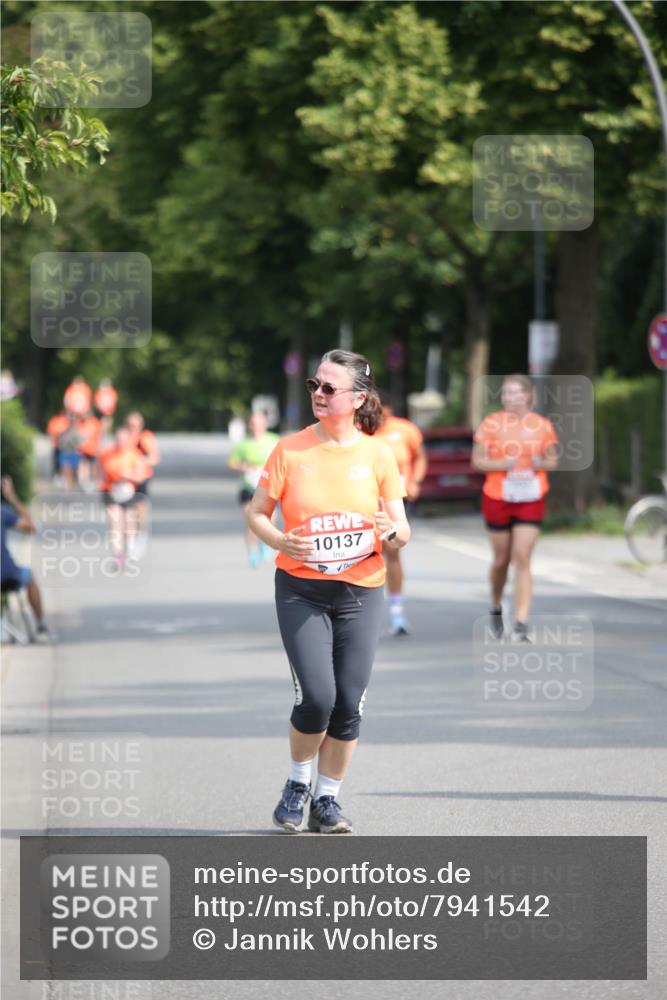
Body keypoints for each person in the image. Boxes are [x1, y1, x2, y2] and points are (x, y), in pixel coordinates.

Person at [247, 349, 410, 834]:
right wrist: (280, 539)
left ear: (358, 399)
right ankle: (297, 784)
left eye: (329, 388)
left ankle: (327, 799)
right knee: (317, 697)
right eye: (315, 385)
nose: (318, 393)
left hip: (362, 590)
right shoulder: (290, 450)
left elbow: (402, 528)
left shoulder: (378, 454)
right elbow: (256, 512)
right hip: (302, 589)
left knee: (349, 702)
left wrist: (391, 532)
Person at [471, 374, 559, 642]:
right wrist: (503, 465)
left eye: (517, 393)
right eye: (507, 393)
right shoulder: (491, 423)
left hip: (530, 496)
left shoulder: (542, 426)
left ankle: (521, 621)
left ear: (529, 396)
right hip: (498, 496)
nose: (511, 398)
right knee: (501, 560)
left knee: (522, 556)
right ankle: (496, 606)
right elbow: (478, 461)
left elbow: (553, 461)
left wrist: (537, 462)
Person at [375, 392, 428, 635]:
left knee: (392, 551)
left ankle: (397, 612)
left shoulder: (405, 430)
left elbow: (420, 457)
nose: (379, 415)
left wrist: (415, 481)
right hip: (366, 501)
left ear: (389, 408)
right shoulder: (360, 432)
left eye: (382, 410)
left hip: (395, 499)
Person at [1, 476, 50, 642]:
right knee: (29, 576)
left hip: (6, 573)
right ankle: (41, 625)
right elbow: (32, 527)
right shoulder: (2, 512)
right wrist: (12, 497)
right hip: (7, 574)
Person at [228, 411, 280, 567]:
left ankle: (265, 542)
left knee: (271, 519)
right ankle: (252, 550)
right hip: (249, 488)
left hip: (268, 487)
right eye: (253, 423)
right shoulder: (244, 444)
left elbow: (283, 459)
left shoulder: (274, 440)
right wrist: (244, 467)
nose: (256, 426)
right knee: (252, 521)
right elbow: (232, 463)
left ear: (265, 424)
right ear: (249, 425)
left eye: (259, 423)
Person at [99, 428, 154, 567]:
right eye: (118, 439)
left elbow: (142, 476)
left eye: (123, 440)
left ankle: (129, 549)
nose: (120, 442)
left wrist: (128, 476)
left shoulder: (135, 455)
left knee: (129, 523)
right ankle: (118, 555)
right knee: (115, 523)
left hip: (130, 492)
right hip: (110, 492)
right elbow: (99, 472)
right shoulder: (107, 454)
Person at [125, 412, 159, 550]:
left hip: (142, 478)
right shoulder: (124, 437)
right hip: (125, 478)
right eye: (130, 425)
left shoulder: (145, 438)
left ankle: (141, 533)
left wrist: (140, 462)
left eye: (136, 425)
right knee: (128, 510)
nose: (133, 427)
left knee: (140, 509)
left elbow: (155, 458)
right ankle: (130, 540)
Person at [76, 412, 102, 493]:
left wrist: (98, 447)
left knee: (94, 467)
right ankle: (83, 484)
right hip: (83, 449)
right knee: (83, 466)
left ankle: (94, 483)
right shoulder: (79, 423)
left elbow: (99, 436)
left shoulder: (95, 423)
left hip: (92, 449)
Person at [46, 410, 70, 485]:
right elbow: (51, 431)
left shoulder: (67, 422)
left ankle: (62, 476)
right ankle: (56, 476)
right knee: (56, 461)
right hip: (56, 445)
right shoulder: (55, 421)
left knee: (63, 462)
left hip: (64, 446)